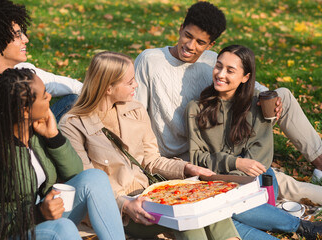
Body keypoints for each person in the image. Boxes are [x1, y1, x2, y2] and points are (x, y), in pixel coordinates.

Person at [134, 1, 322, 204]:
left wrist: (271, 101)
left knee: (281, 94)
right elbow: (135, 113)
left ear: (210, 45)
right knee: (274, 180)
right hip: (188, 157)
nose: (190, 46)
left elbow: (253, 86)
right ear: (181, 29)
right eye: (187, 36)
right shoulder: (150, 61)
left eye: (200, 42)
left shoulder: (212, 61)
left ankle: (319, 160)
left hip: (222, 138)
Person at [59, 51, 240, 240]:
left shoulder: (135, 110)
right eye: (129, 82)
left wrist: (186, 168)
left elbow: (151, 159)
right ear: (108, 88)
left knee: (208, 204)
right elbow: (88, 184)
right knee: (187, 218)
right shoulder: (73, 124)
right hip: (118, 212)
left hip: (150, 196)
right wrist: (124, 204)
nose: (136, 85)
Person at [0, 68, 125, 240]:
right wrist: (37, 214)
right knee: (62, 228)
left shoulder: (38, 132)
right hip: (10, 232)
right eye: (44, 95)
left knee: (95, 177)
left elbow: (75, 173)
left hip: (44, 215)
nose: (49, 98)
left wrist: (54, 138)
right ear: (25, 111)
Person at [185, 44, 322, 240]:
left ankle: (283, 221)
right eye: (218, 66)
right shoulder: (196, 109)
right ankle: (301, 226)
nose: (220, 74)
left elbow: (260, 158)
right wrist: (235, 163)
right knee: (220, 217)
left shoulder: (259, 105)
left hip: (255, 182)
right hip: (218, 184)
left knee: (226, 209)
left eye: (230, 70)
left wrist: (237, 172)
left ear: (246, 77)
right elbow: (197, 157)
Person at [0, 0, 82, 152]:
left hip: (33, 146)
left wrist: (102, 93)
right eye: (18, 35)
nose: (26, 39)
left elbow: (65, 85)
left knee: (75, 100)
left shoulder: (24, 70)